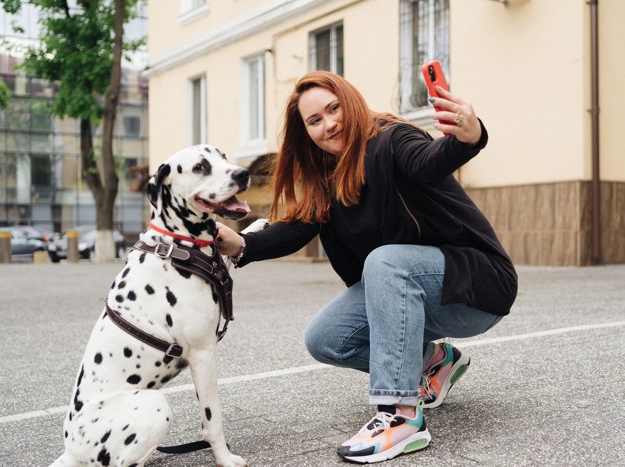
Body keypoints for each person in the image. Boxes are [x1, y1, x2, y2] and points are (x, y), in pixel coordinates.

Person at [216, 71, 517, 464]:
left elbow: (429, 161)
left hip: (476, 286)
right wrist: (243, 244)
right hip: (414, 291)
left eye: (333, 108)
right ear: (306, 132)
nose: (330, 124)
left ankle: (401, 416)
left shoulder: (392, 139)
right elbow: (299, 226)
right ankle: (434, 360)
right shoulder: (328, 176)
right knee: (326, 338)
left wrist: (468, 136)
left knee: (385, 260)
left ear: (350, 101)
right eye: (315, 121)